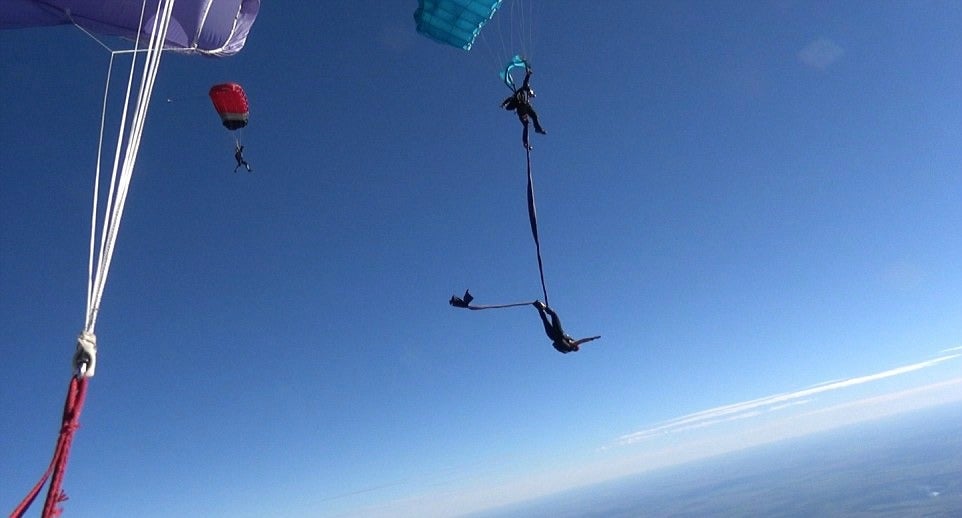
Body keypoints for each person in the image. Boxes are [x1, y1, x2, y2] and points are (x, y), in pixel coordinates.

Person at [501, 66, 546, 150]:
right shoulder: (524, 89)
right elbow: (525, 82)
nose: (530, 95)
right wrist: (528, 74)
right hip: (521, 109)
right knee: (526, 124)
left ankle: (537, 128)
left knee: (534, 116)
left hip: (526, 107)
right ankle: (526, 142)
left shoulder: (525, 93)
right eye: (531, 94)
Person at [533, 300, 600, 354]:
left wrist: (592, 338)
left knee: (553, 315)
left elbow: (582, 341)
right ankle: (540, 307)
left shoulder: (570, 346)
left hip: (558, 334)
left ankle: (542, 307)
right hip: (552, 336)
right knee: (546, 319)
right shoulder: (568, 347)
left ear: (574, 346)